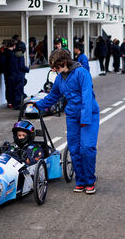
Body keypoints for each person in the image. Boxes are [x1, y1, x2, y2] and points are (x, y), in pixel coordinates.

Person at [33, 49, 99, 194]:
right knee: (74, 149)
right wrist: (37, 105)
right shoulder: (59, 78)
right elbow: (53, 96)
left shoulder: (82, 73)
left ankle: (90, 180)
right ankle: (80, 180)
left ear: (64, 62)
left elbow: (87, 97)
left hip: (89, 114)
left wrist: (85, 119)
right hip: (72, 115)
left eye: (55, 67)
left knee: (87, 148)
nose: (53, 70)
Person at [7, 40, 29, 110]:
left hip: (12, 75)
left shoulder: (12, 54)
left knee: (14, 90)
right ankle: (18, 104)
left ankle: (14, 103)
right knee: (19, 90)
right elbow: (21, 66)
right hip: (19, 75)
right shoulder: (20, 55)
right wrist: (27, 69)